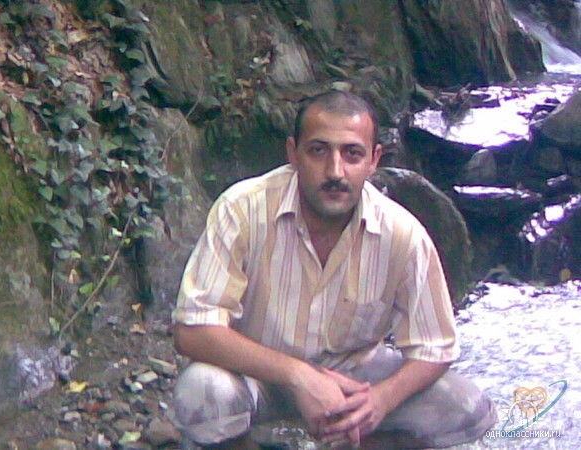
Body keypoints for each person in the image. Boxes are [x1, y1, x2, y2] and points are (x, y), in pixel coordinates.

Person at [170, 90, 495, 449]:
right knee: (202, 391)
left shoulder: (402, 235)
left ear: (374, 160)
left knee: (465, 407)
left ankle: (352, 440)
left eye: (352, 154)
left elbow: (435, 349)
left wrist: (379, 401)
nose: (335, 171)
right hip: (256, 377)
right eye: (318, 151)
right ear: (293, 153)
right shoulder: (242, 210)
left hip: (354, 380)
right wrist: (299, 376)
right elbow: (193, 330)